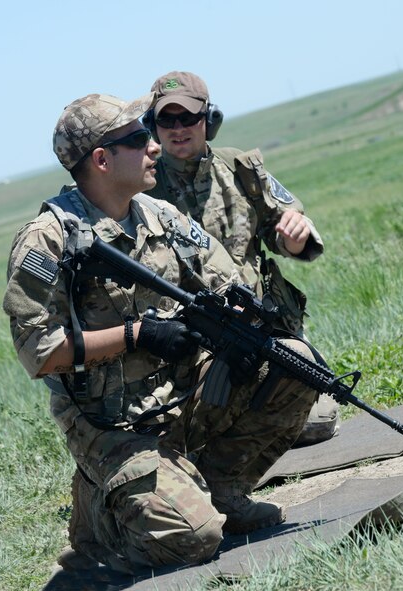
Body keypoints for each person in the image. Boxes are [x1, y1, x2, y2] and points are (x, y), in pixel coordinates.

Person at [3, 92, 318, 573]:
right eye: (137, 138)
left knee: (295, 361)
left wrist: (240, 328)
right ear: (102, 160)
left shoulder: (159, 215)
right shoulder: (48, 241)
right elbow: (40, 354)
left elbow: (225, 279)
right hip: (112, 427)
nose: (154, 146)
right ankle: (101, 526)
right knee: (194, 541)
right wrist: (135, 335)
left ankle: (221, 494)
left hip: (183, 397)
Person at [144, 71, 339, 445]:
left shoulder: (238, 169)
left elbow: (281, 225)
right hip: (190, 337)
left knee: (319, 418)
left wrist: (294, 237)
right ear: (152, 126)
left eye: (187, 117)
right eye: (165, 120)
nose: (177, 128)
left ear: (209, 119)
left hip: (262, 326)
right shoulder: (143, 185)